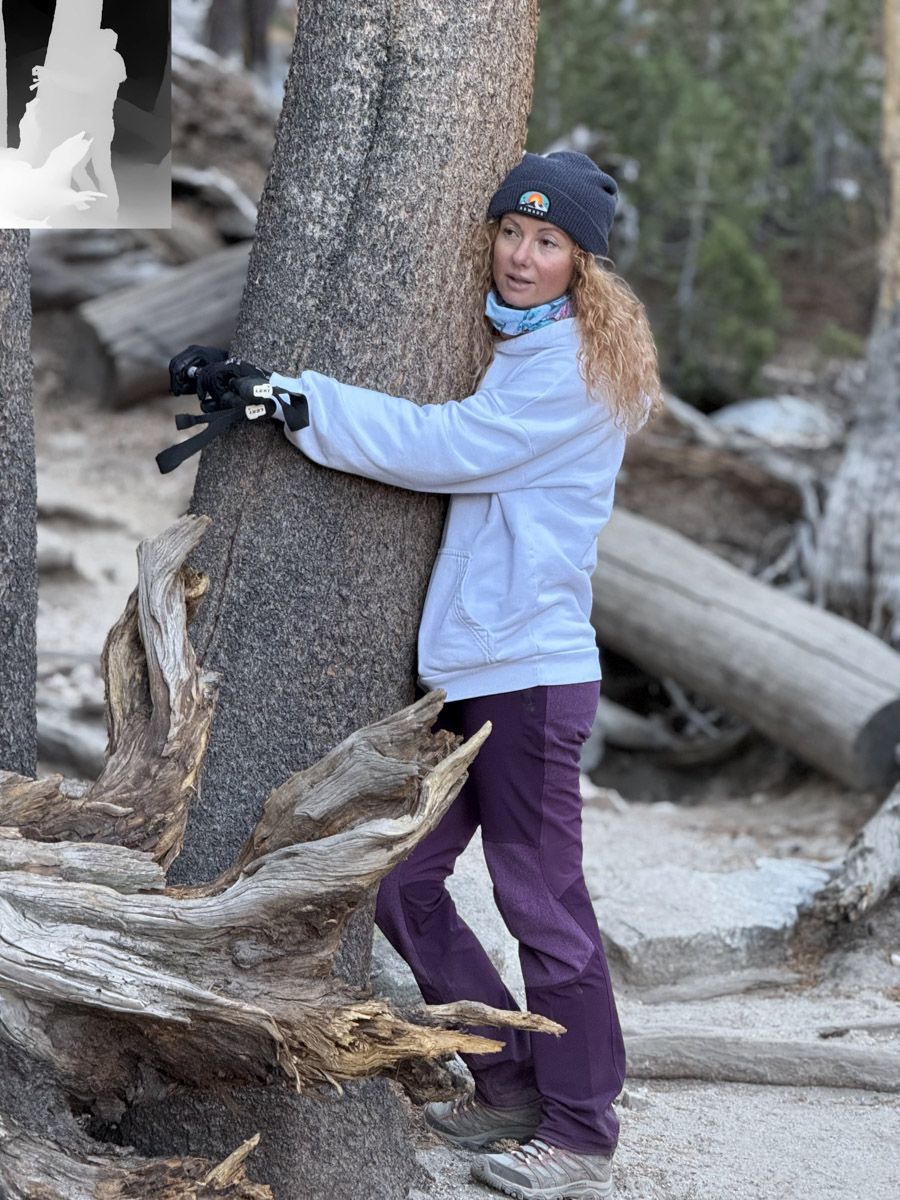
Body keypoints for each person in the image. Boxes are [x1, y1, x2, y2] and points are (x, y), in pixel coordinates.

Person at [169, 150, 662, 1200]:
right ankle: (509, 1080)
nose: (520, 255)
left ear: (583, 265)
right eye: (511, 231)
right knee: (401, 881)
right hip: (477, 669)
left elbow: (446, 446)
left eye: (548, 242)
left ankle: (581, 1131)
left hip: (529, 675)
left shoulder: (573, 367)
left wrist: (287, 397)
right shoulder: (524, 346)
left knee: (543, 905)